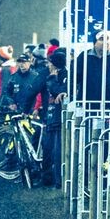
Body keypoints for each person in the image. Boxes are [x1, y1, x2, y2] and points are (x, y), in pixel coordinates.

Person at [41, 48, 68, 187]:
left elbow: (57, 90)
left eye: (50, 62)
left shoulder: (63, 75)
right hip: (52, 116)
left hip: (58, 118)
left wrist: (52, 80)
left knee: (56, 151)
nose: (48, 65)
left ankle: (58, 181)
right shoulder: (56, 74)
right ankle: (49, 179)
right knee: (49, 149)